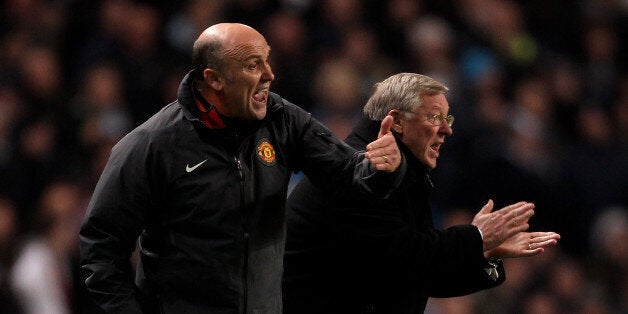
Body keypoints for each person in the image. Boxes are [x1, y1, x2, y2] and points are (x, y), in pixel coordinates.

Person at [79, 23, 405, 314]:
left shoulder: (283, 120)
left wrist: (380, 169)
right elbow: (101, 244)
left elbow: (346, 175)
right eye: (253, 65)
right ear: (214, 79)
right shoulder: (152, 144)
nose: (269, 74)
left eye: (267, 60)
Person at [282, 73, 561, 313]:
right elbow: (406, 255)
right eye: (435, 117)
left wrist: (484, 252)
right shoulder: (359, 171)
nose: (447, 129)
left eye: (447, 117)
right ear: (397, 122)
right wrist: (476, 238)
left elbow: (418, 275)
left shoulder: (406, 178)